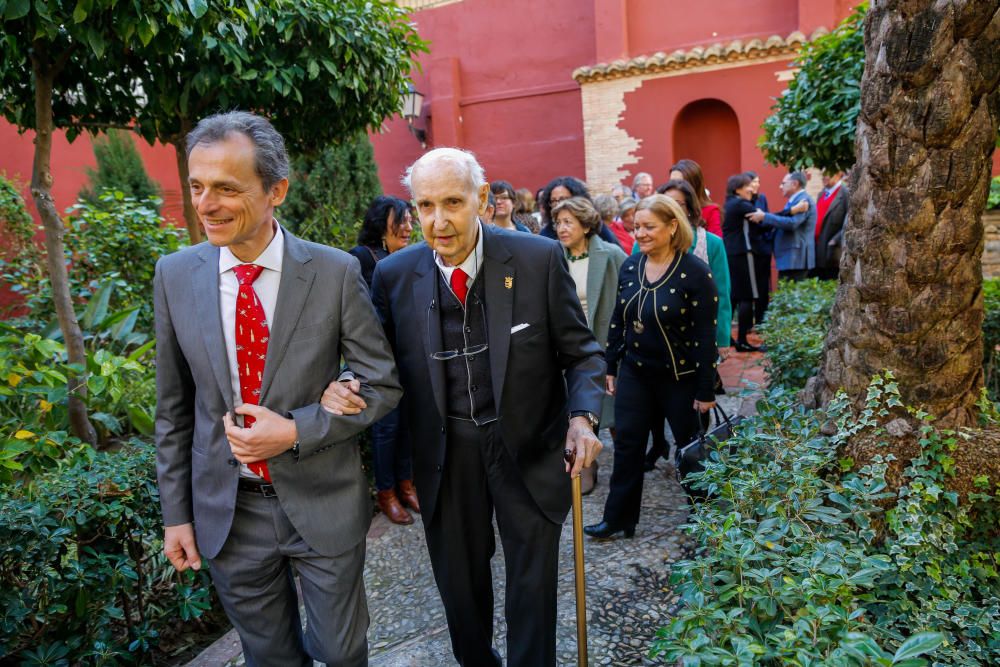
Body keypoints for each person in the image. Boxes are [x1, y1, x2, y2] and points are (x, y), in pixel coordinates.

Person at [324, 147, 605, 667]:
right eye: (425, 206)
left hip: (528, 447)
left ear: (481, 199)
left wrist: (582, 417)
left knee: (532, 586)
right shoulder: (393, 275)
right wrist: (346, 379)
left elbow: (581, 351)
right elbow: (373, 359)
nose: (438, 220)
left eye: (452, 202)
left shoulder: (536, 259)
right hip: (445, 454)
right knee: (460, 590)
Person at [154, 111, 402, 666]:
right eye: (196, 186)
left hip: (323, 501)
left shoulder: (334, 272)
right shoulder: (174, 275)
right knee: (270, 659)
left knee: (341, 653)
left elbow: (381, 380)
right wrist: (177, 514)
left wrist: (298, 428)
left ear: (276, 191)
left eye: (225, 188)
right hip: (230, 513)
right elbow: (172, 410)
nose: (204, 204)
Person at [585, 194, 718, 539]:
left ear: (673, 226)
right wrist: (611, 365)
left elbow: (706, 336)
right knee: (628, 445)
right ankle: (618, 519)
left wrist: (706, 390)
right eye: (637, 226)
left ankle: (709, 522)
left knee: (690, 448)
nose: (640, 233)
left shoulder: (696, 273)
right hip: (635, 372)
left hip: (680, 377)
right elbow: (620, 319)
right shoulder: (632, 265)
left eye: (649, 227)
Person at [638, 179, 731, 470]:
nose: (668, 208)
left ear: (688, 209)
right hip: (654, 341)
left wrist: (723, 338)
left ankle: (693, 456)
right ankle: (659, 445)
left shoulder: (709, 244)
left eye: (676, 204)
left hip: (693, 343)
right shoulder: (643, 244)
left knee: (693, 411)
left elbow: (723, 292)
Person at [348, 196, 419, 526]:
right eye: (400, 220)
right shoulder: (362, 257)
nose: (408, 226)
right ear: (381, 223)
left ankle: (407, 484)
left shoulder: (406, 257)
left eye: (408, 220)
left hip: (409, 356)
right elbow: (359, 314)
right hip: (378, 362)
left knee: (407, 425)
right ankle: (387, 492)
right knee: (386, 428)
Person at [552, 196, 628, 493]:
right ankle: (586, 464)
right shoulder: (552, 255)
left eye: (568, 222)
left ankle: (624, 466)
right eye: (558, 222)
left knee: (613, 412)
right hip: (566, 346)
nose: (561, 228)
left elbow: (626, 299)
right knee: (578, 408)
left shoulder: (610, 255)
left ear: (586, 225)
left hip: (603, 342)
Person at [723, 173, 774, 352]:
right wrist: (791, 212)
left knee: (734, 297)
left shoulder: (730, 203)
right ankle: (743, 341)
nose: (752, 189)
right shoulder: (741, 204)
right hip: (744, 253)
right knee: (747, 296)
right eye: (748, 186)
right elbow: (763, 220)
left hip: (731, 253)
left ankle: (726, 337)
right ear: (737, 189)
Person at [747, 171, 816, 281]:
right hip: (791, 259)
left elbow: (792, 224)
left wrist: (765, 216)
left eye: (783, 183)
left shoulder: (803, 200)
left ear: (794, 184)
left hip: (796, 259)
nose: (780, 186)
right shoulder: (795, 200)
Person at [349, 195, 413, 287]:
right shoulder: (360, 256)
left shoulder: (408, 258)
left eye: (410, 221)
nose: (409, 228)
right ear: (381, 225)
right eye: (402, 221)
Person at [538, 176, 620, 246]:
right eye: (553, 201)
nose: (558, 204)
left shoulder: (595, 228)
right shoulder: (545, 235)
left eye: (563, 199)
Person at [669, 159, 722, 237]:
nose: (674, 186)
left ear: (694, 184)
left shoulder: (710, 211)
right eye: (672, 182)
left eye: (680, 182)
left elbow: (716, 245)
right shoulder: (667, 208)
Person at [812, 171, 848, 280]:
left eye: (827, 173)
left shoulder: (846, 193)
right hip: (818, 248)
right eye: (822, 174)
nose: (824, 177)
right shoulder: (822, 193)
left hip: (833, 251)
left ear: (839, 174)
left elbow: (849, 222)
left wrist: (836, 240)